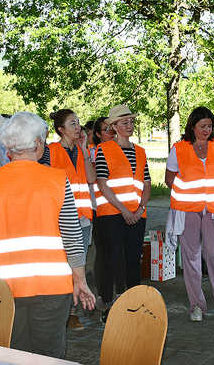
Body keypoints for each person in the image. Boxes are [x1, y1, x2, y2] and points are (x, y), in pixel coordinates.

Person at [0, 112, 95, 358]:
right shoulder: (57, 180)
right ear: (37, 144)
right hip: (51, 287)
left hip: (0, 289)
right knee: (48, 355)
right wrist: (80, 280)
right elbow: (72, 235)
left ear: (7, 145)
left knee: (10, 355)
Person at [165, 106, 214, 322]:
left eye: (210, 126)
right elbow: (169, 179)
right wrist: (188, 191)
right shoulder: (179, 148)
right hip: (188, 210)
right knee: (191, 257)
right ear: (193, 126)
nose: (207, 130)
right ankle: (197, 306)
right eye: (202, 126)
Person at [95, 105, 151, 322]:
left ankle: (134, 304)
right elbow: (103, 183)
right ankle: (115, 306)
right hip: (112, 214)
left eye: (131, 122)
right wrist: (125, 211)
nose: (129, 126)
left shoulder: (141, 151)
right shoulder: (104, 150)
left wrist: (140, 209)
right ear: (114, 127)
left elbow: (146, 183)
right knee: (116, 259)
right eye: (124, 122)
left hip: (137, 214)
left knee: (133, 260)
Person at [46, 109, 96, 329]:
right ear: (60, 129)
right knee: (63, 267)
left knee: (79, 266)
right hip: (60, 219)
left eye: (78, 123)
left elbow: (92, 179)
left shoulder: (81, 150)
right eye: (72, 124)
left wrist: (84, 151)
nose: (78, 127)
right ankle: (63, 312)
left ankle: (72, 312)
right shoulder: (50, 151)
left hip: (83, 218)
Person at [91, 116, 122, 310]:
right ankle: (105, 296)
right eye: (106, 130)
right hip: (100, 210)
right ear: (98, 134)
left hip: (120, 209)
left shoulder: (123, 150)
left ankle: (119, 293)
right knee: (104, 255)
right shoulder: (94, 152)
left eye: (113, 129)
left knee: (118, 254)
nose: (111, 133)